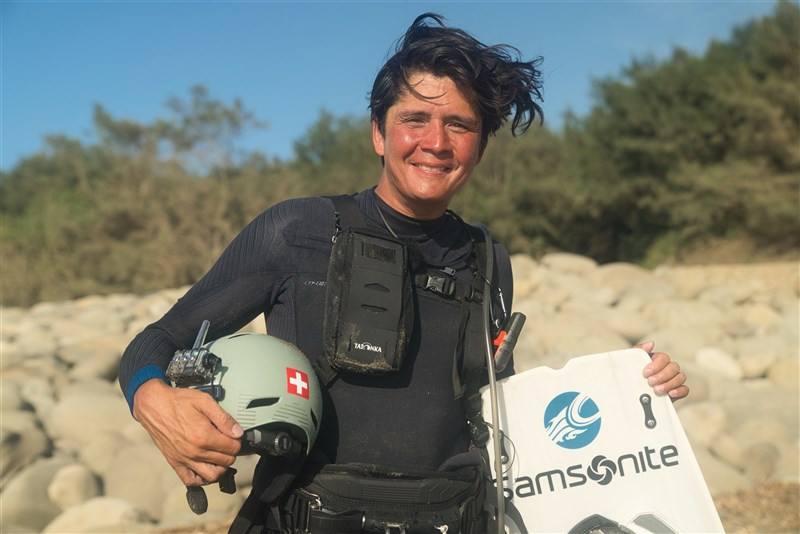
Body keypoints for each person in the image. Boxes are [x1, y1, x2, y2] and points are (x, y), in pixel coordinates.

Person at [119, 13, 688, 533]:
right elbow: (155, 342)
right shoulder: (298, 231)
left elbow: (498, 411)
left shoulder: (488, 257)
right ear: (379, 132)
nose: (435, 143)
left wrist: (628, 391)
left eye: (459, 126)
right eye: (414, 118)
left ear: (480, 147)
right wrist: (154, 401)